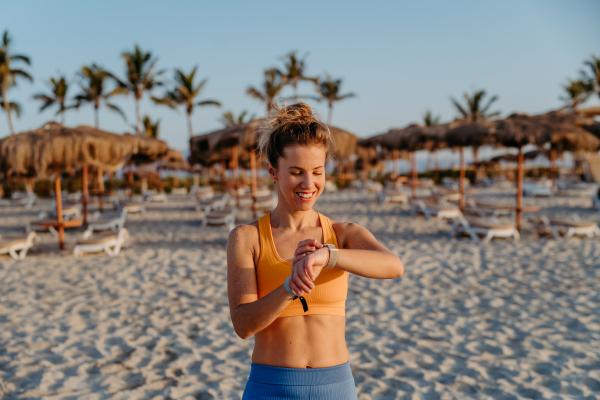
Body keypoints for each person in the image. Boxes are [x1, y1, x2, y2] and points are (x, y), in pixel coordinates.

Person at [227, 102, 404, 399]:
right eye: (296, 172)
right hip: (271, 387)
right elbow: (243, 326)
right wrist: (288, 288)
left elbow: (393, 265)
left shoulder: (341, 233)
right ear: (273, 170)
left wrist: (328, 254)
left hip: (335, 387)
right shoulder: (247, 238)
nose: (308, 184)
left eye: (317, 172)